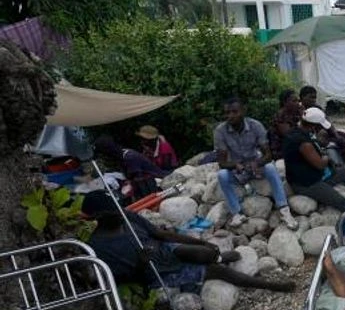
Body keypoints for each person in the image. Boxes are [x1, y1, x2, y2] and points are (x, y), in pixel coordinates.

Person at [83, 191, 295, 292]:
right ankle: (270, 285)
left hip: (165, 250)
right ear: (98, 217)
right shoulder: (99, 247)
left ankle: (218, 256)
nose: (120, 212)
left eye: (119, 207)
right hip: (155, 271)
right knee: (215, 271)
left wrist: (202, 243)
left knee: (203, 253)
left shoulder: (128, 216)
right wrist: (141, 263)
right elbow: (124, 279)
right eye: (114, 211)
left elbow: (162, 235)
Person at [213, 97, 298, 230]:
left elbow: (268, 155)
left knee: (270, 168)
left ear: (243, 111)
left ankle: (283, 209)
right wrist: (235, 165)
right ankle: (237, 213)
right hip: (238, 170)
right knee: (222, 175)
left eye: (234, 112)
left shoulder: (255, 126)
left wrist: (258, 163)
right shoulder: (220, 131)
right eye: (227, 113)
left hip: (256, 166)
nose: (230, 116)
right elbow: (222, 162)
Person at [283, 107, 345, 212]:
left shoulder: (295, 131)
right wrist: (325, 155)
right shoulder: (304, 143)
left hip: (313, 174)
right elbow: (320, 164)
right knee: (343, 202)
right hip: (307, 183)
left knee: (343, 172)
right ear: (314, 126)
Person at [94, 136, 168, 202]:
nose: (103, 159)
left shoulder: (130, 158)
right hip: (147, 185)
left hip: (158, 184)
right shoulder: (123, 157)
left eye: (103, 155)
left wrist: (125, 192)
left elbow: (140, 181)